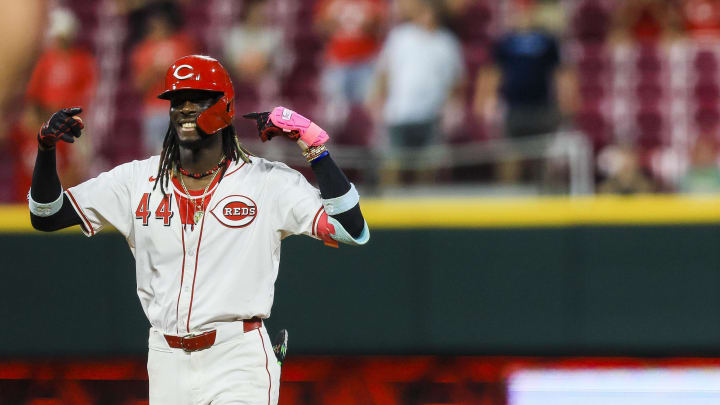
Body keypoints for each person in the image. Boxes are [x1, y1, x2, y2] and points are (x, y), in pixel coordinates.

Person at [28, 55, 369, 405]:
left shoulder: (267, 181)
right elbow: (46, 215)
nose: (185, 108)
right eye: (177, 100)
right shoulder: (135, 180)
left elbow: (349, 227)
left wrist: (313, 145)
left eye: (199, 98)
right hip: (165, 357)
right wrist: (45, 149)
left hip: (237, 354)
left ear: (225, 106)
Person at [369, 0, 465, 184]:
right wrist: (377, 99)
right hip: (399, 111)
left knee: (428, 164)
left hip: (431, 113)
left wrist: (451, 106)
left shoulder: (447, 42)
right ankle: (389, 201)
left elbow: (456, 80)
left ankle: (424, 203)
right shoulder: (400, 37)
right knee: (393, 161)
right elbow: (384, 71)